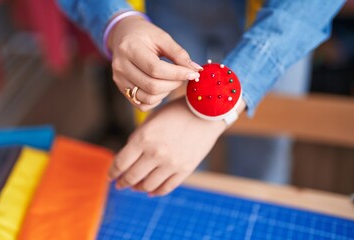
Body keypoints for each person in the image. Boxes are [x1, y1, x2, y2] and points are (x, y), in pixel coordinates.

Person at [57, 0, 345, 196]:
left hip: (277, 22)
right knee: (167, 161)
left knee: (263, 162)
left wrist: (219, 110)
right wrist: (118, 20)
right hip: (163, 13)